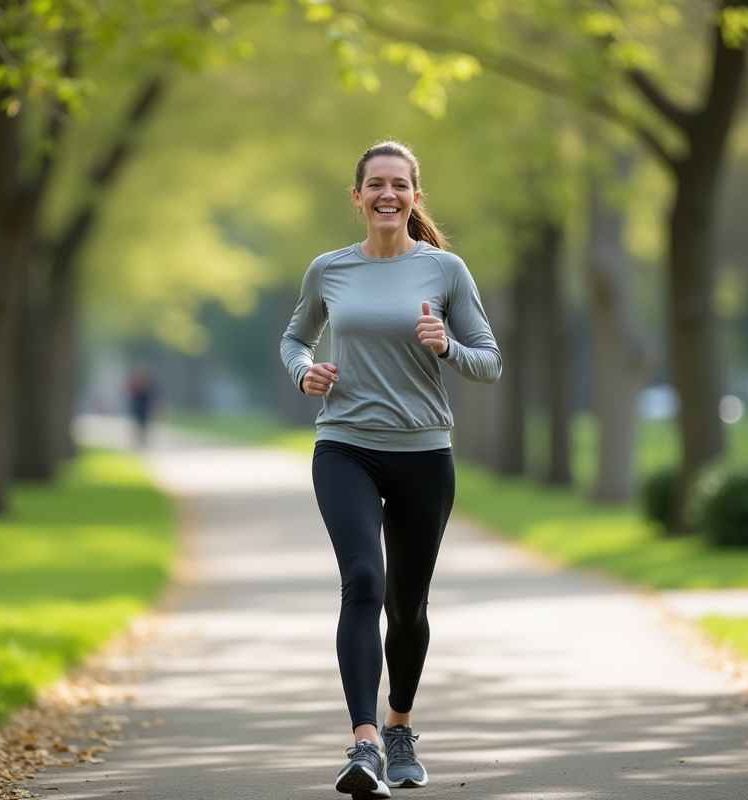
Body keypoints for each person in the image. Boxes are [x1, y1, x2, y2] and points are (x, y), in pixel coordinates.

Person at [279, 141, 501, 799]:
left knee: (407, 606)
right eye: (375, 184)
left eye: (399, 184)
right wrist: (304, 372)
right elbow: (295, 338)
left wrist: (448, 345)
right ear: (357, 197)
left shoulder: (445, 270)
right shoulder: (329, 270)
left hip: (423, 454)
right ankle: (366, 741)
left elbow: (489, 362)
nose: (387, 194)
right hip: (344, 446)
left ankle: (400, 725)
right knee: (363, 580)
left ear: (414, 196)